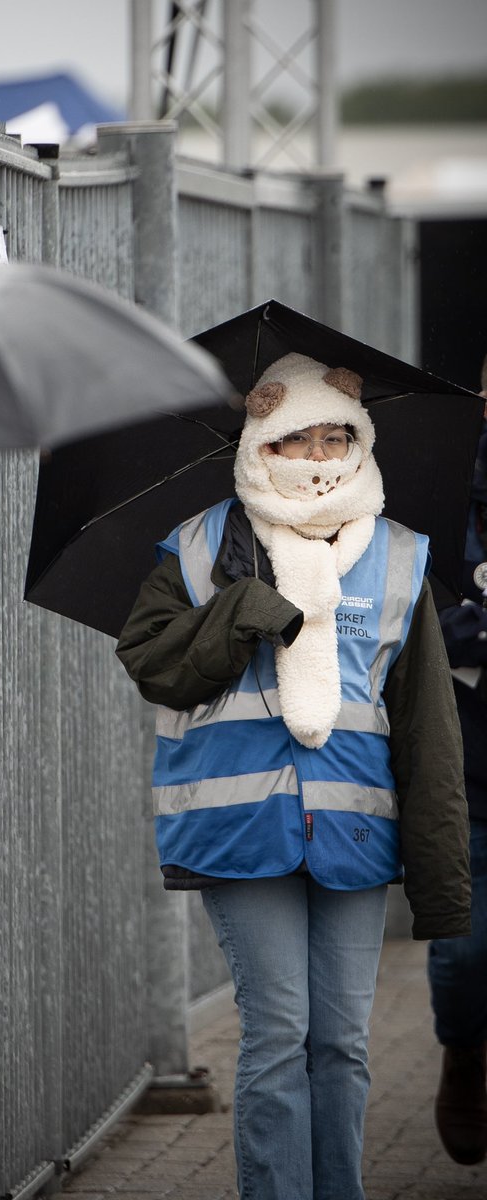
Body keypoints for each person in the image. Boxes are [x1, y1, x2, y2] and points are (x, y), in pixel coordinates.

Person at [115, 351, 471, 1200]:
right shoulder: (203, 546)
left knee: (343, 1043)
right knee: (279, 1036)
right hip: (241, 834)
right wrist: (239, 611)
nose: (317, 455)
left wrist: (444, 878)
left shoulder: (399, 555)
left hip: (354, 832)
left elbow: (427, 727)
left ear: (359, 439)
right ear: (258, 438)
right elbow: (153, 663)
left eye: (335, 436)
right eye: (295, 437)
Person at [429, 371, 487, 1167]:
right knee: (465, 951)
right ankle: (464, 1051)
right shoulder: (440, 486)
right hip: (468, 767)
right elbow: (405, 605)